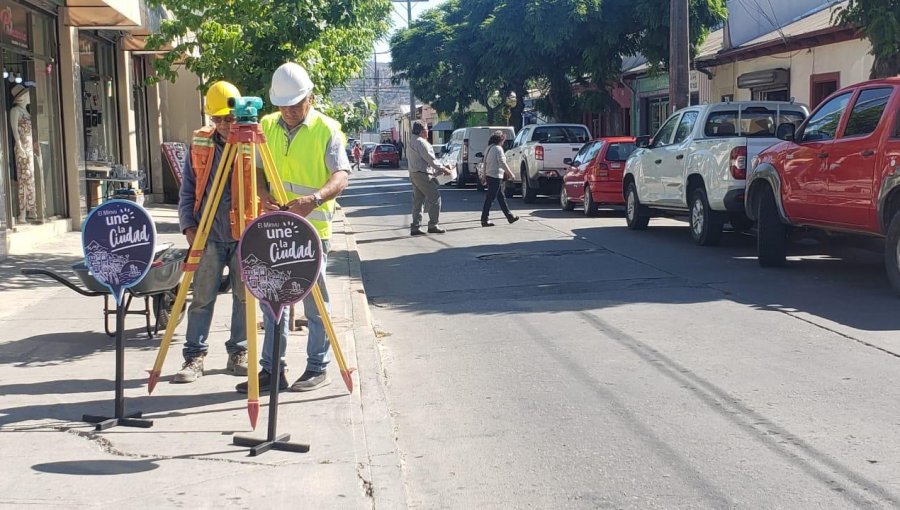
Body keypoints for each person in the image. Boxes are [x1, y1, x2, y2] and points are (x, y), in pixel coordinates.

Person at [236, 62, 351, 393]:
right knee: (274, 301)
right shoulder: (267, 126)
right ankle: (272, 371)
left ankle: (318, 367)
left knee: (315, 306)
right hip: (273, 231)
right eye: (282, 105)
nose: (288, 111)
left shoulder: (326, 129)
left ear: (310, 98)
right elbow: (257, 170)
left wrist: (314, 199)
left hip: (312, 232)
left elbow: (341, 175)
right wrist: (261, 193)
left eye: (295, 104)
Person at [175, 81, 254, 383]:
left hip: (243, 233)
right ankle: (194, 357)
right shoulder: (200, 143)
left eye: (228, 118)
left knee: (244, 299)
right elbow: (187, 190)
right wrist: (188, 226)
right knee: (202, 298)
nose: (223, 125)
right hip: (207, 234)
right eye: (217, 119)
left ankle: (239, 352)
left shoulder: (252, 143)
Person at [407, 120, 451, 236]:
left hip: (414, 173)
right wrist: (443, 168)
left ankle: (415, 227)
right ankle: (433, 225)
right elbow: (430, 159)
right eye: (427, 129)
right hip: (422, 173)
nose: (428, 132)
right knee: (435, 198)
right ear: (422, 131)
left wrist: (440, 167)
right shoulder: (421, 142)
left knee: (418, 201)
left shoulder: (411, 140)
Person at [9, 84, 37, 224]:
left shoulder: (25, 111)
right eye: (26, 94)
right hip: (23, 147)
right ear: (21, 97)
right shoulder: (15, 111)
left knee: (31, 177)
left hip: (30, 147)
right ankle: (22, 213)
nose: (29, 96)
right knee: (24, 178)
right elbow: (14, 129)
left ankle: (31, 209)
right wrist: (19, 145)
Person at [480, 131, 520, 227]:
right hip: (495, 176)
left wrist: (484, 176)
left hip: (490, 175)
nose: (503, 142)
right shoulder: (498, 149)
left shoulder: (488, 148)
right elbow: (502, 162)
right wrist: (510, 173)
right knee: (490, 198)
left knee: (501, 197)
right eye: (503, 140)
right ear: (500, 140)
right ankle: (484, 219)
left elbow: (484, 163)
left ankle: (509, 216)